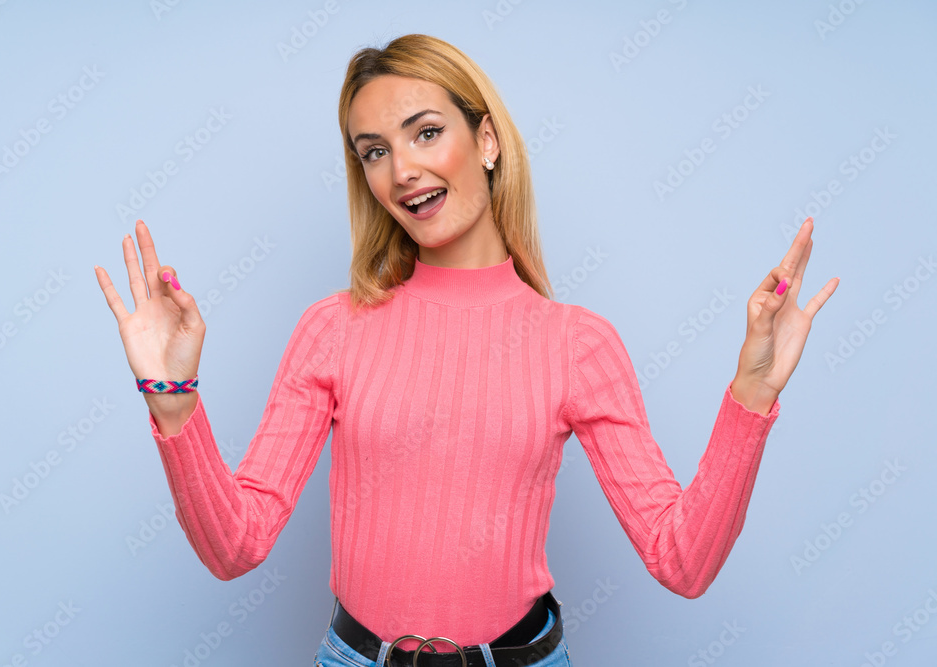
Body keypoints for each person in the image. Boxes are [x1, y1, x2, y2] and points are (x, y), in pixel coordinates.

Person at [94, 33, 838, 667]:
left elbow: (684, 561)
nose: (401, 171)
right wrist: (174, 401)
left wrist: (752, 396)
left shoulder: (577, 344)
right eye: (374, 151)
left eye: (425, 133)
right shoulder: (332, 328)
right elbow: (235, 546)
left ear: (486, 141)